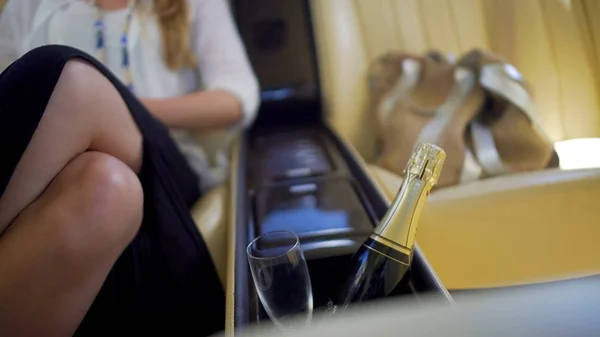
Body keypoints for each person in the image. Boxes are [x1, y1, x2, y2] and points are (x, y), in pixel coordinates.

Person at [0, 0, 259, 336]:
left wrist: (117, 106)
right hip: (59, 177)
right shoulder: (28, 6)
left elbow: (238, 98)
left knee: (67, 78)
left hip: (165, 167)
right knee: (105, 187)